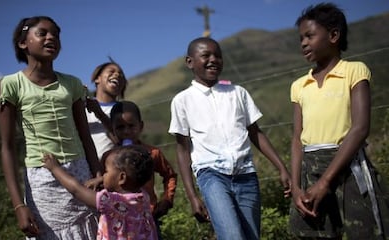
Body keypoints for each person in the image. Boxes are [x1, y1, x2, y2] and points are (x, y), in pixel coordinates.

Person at [168, 37, 291, 240]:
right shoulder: (182, 101)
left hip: (246, 175)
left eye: (218, 55)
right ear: (189, 62)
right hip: (212, 175)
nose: (213, 60)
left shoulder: (238, 93)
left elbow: (256, 133)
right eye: (206, 55)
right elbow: (182, 150)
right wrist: (192, 196)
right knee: (233, 236)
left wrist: (281, 168)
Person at [0, 16, 101, 239]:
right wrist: (18, 206)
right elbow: (8, 148)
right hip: (43, 179)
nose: (51, 37)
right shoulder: (11, 84)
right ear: (24, 43)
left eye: (56, 34)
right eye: (42, 33)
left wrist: (99, 175)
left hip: (82, 173)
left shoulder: (71, 84)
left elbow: (85, 137)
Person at [289, 3, 389, 239]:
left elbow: (360, 128)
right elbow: (296, 138)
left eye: (310, 36)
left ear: (333, 35)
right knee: (314, 233)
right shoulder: (299, 86)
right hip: (309, 167)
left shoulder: (355, 71)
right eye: (301, 38)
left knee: (365, 231)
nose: (303, 43)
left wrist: (325, 182)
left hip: (347, 166)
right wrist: (295, 187)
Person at [41, 145, 158, 240]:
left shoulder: (110, 202)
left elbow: (77, 190)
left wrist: (55, 168)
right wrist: (102, 179)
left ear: (121, 178)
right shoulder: (143, 197)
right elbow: (122, 181)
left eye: (106, 171)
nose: (103, 175)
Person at [105, 100, 177, 239]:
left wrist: (167, 200)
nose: (126, 131)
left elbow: (169, 175)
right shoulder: (109, 158)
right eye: (120, 127)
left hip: (148, 218)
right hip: (118, 222)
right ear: (112, 129)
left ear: (141, 126)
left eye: (131, 126)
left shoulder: (152, 153)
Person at [85, 60, 128, 160]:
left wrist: (99, 113)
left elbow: (123, 139)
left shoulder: (124, 109)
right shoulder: (83, 107)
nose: (117, 75)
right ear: (97, 79)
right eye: (111, 71)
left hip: (113, 167)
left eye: (121, 75)